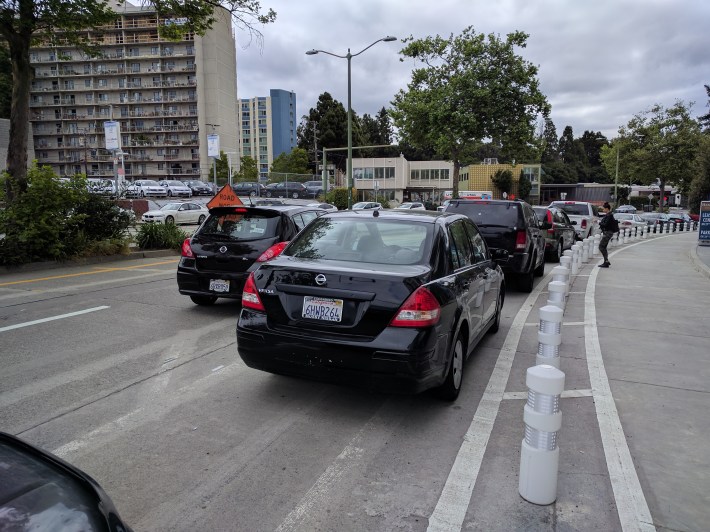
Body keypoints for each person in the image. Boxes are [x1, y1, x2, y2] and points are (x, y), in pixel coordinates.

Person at [598, 202, 619, 268]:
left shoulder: (609, 215)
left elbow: (605, 224)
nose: (603, 210)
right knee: (603, 247)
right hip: (607, 233)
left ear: (607, 208)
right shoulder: (608, 215)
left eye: (604, 209)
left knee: (601, 246)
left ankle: (606, 261)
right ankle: (606, 262)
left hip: (608, 233)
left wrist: (599, 223)